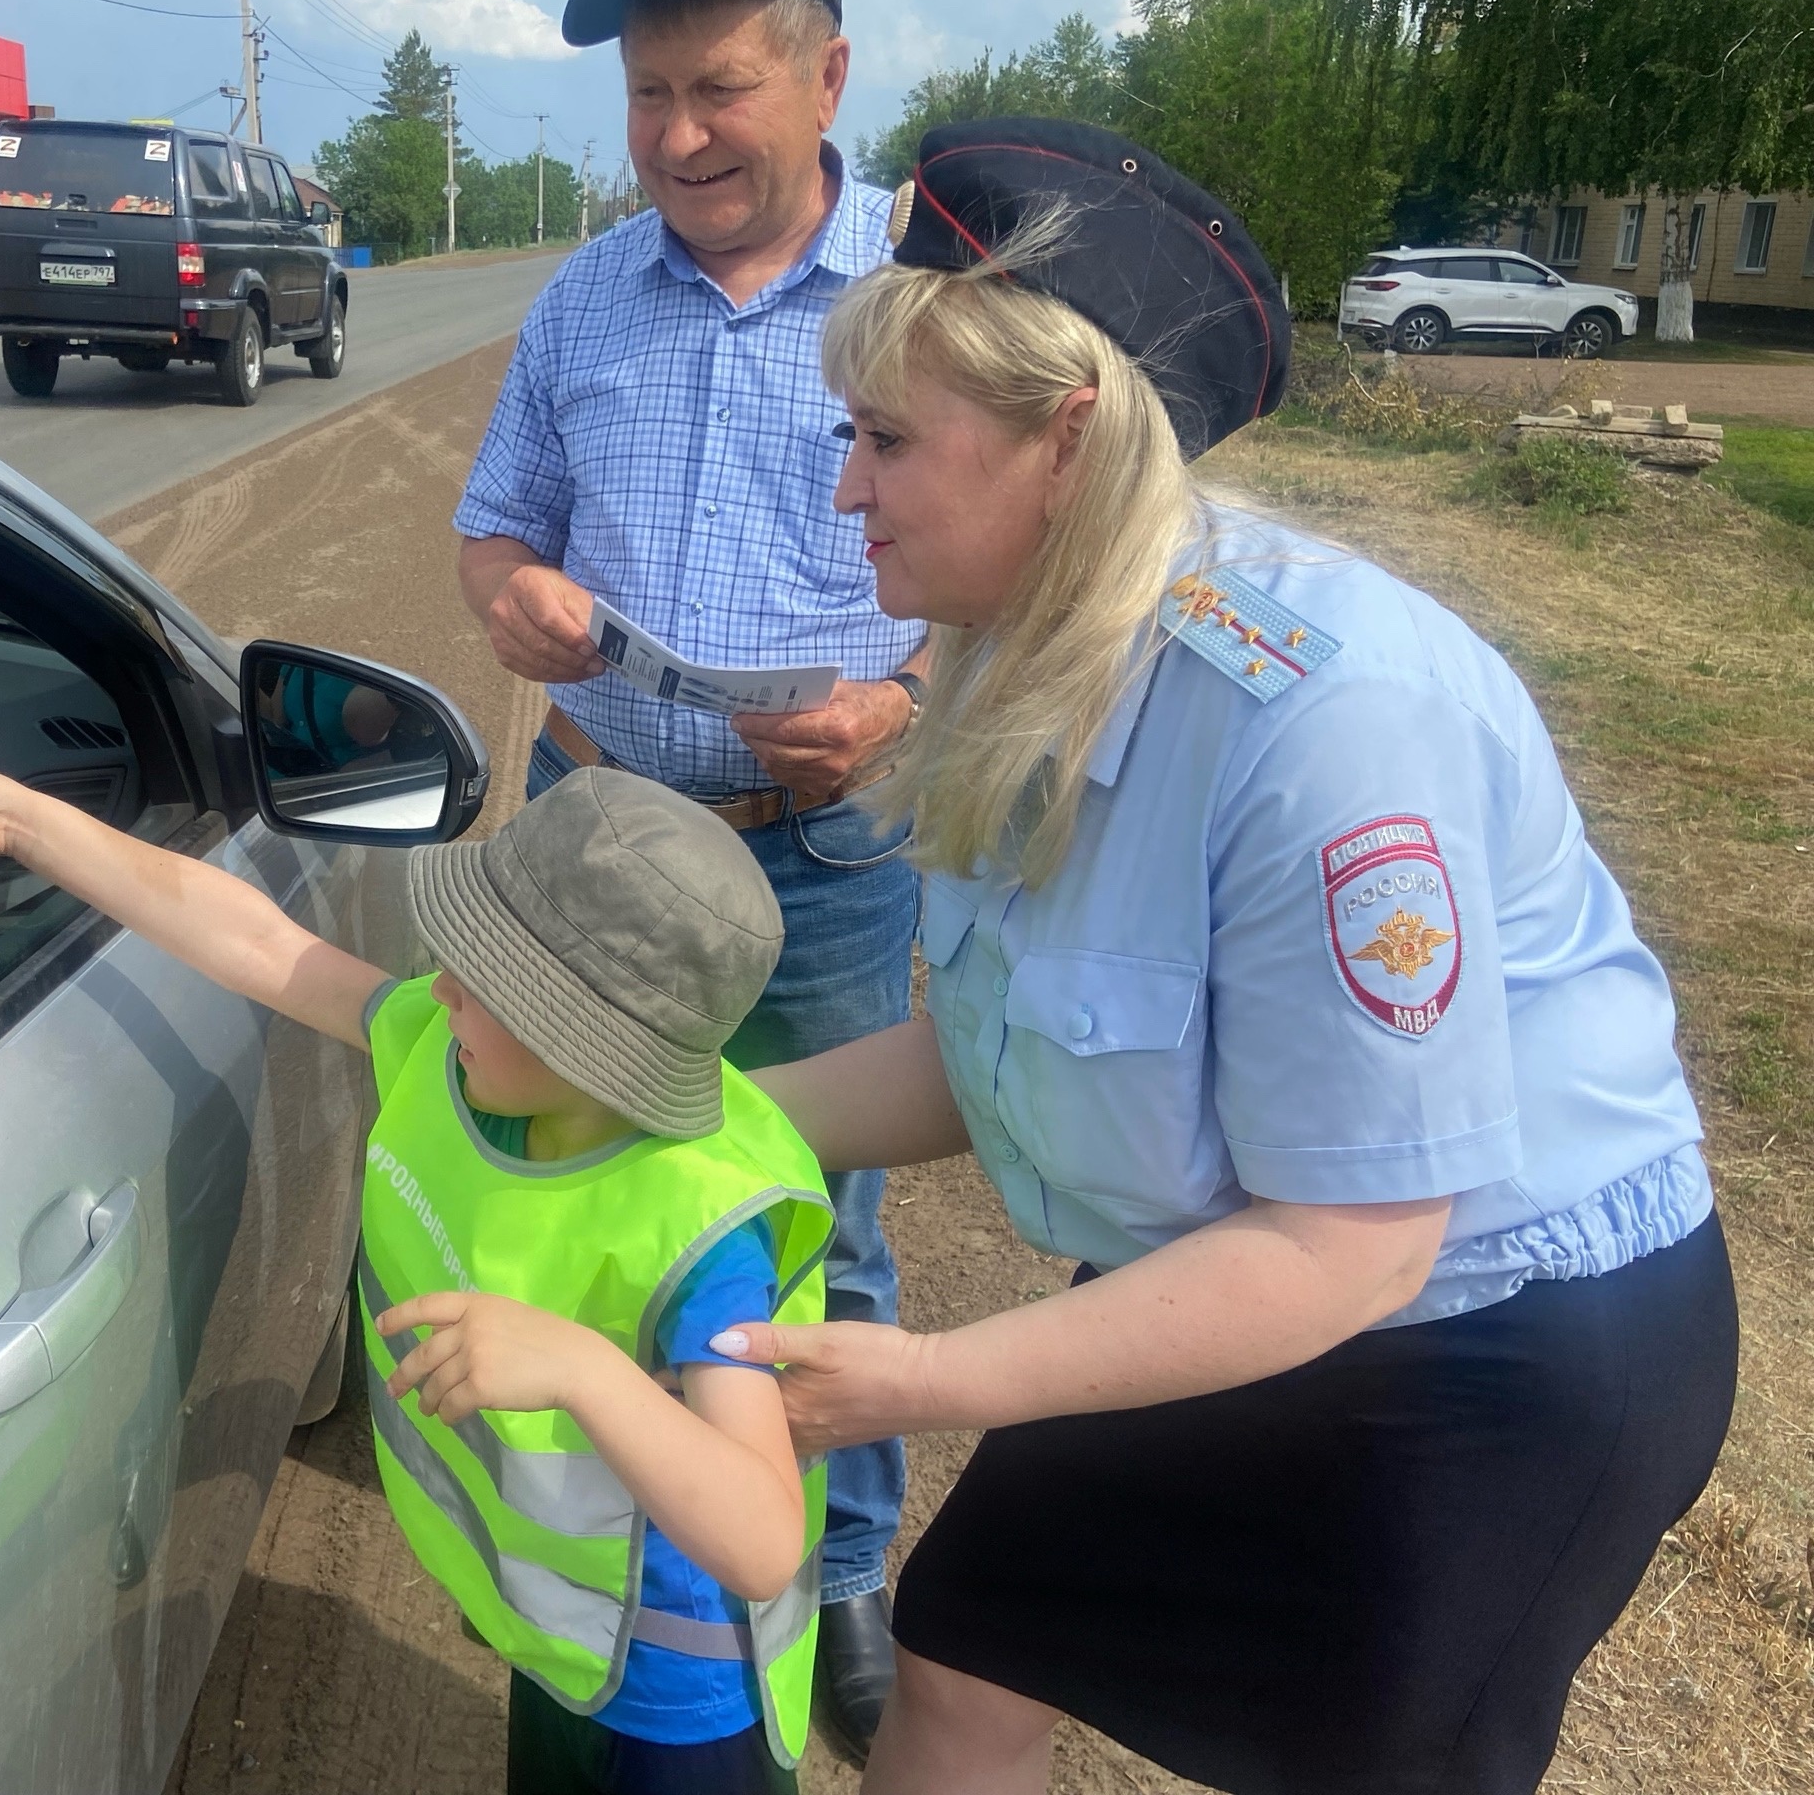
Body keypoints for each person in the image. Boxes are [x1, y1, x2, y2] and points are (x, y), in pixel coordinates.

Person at [707, 120, 1740, 1795]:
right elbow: (997, 1041)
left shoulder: (1321, 721)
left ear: (1070, 435)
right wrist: (711, 1119)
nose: (846, 489)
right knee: (962, 1662)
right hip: (1234, 1267)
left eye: (886, 439)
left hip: (1498, 1347)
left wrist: (930, 1380)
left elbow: (1359, 1244)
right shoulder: (1014, 650)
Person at [0, 756, 837, 1794]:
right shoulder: (444, 1040)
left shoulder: (706, 1233)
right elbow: (255, 940)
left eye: (491, 982)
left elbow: (759, 1540)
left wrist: (582, 1370)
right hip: (562, 1627)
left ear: (594, 1048)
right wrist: (27, 823)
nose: (447, 980)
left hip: (675, 1692)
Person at [456, 0, 917, 1739]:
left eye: (716, 88)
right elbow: (496, 526)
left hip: (828, 855)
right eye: (647, 97)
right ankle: (610, 1519)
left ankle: (840, 1569)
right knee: (592, 1190)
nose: (676, 137)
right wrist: (509, 593)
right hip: (594, 849)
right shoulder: (583, 294)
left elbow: (1042, 572)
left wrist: (902, 698)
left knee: (819, 1220)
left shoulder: (929, 299)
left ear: (827, 78)